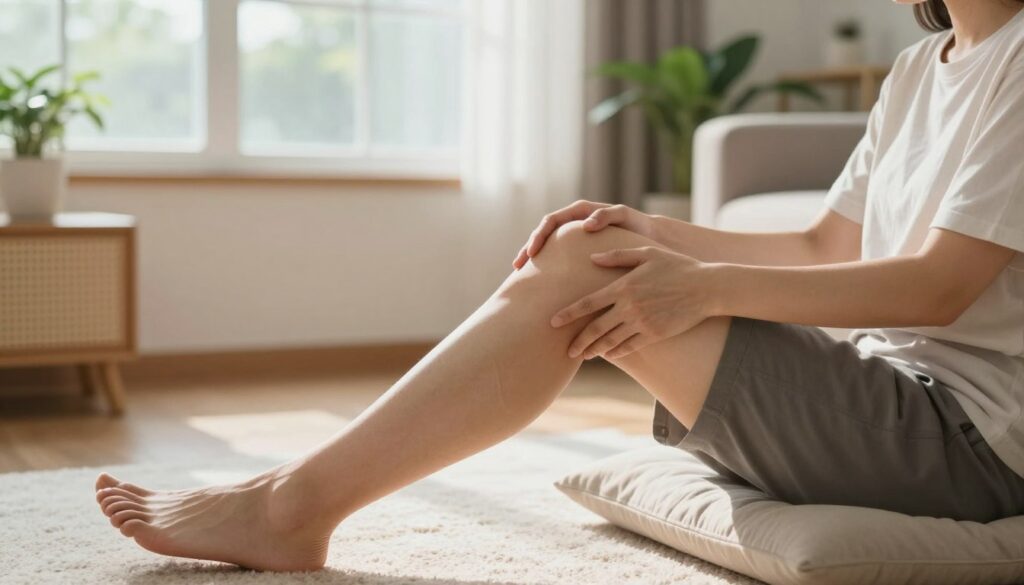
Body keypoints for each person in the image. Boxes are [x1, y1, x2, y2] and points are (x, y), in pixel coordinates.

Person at [95, 0, 1024, 572]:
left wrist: (702, 287)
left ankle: (290, 507)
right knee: (597, 246)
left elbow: (939, 287)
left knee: (592, 270)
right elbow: (826, 244)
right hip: (887, 399)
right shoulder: (917, 72)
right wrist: (647, 229)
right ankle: (293, 501)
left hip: (964, 446)